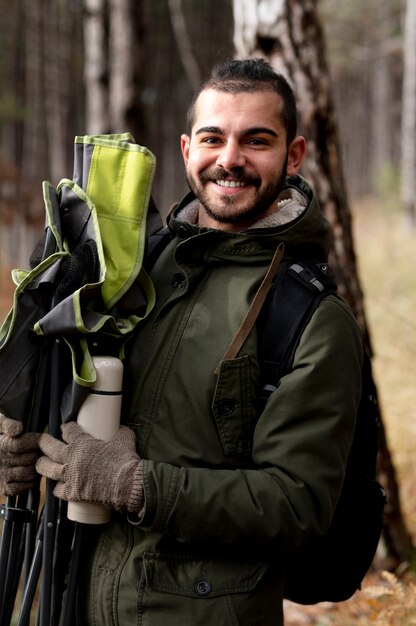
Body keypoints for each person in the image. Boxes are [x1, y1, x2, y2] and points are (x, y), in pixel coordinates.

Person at [0, 58, 363, 626]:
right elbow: (75, 393)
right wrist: (21, 442)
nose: (231, 160)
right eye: (214, 138)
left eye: (257, 140)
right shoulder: (128, 268)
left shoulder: (310, 317)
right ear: (187, 148)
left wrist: (137, 485)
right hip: (68, 597)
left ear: (293, 156)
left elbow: (298, 503)